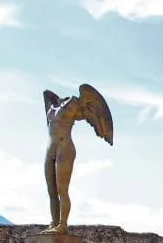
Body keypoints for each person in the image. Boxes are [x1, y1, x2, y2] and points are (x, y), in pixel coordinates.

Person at [41, 85, 112, 234]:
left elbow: (90, 110)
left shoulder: (75, 103)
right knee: (51, 190)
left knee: (62, 189)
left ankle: (62, 224)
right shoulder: (52, 102)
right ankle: (54, 222)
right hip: (50, 149)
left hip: (64, 147)